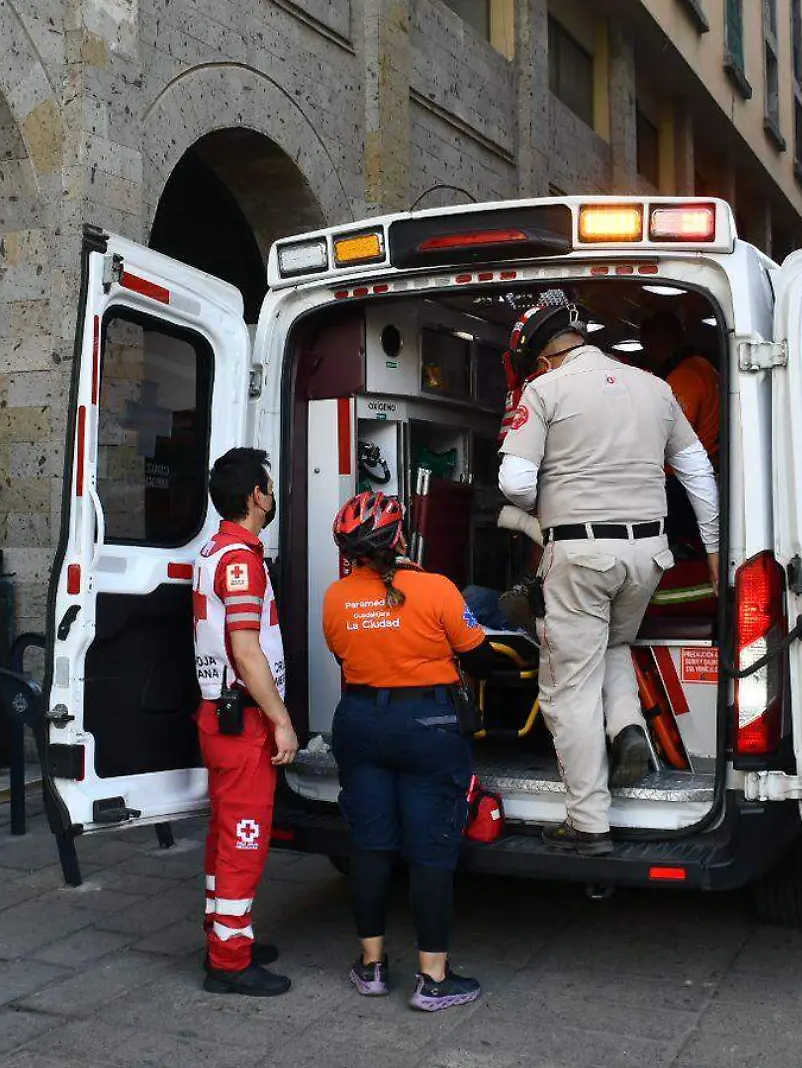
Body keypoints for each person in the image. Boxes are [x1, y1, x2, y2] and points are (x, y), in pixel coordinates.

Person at [497, 303, 720, 856]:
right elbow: (699, 474)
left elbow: (515, 482)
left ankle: (588, 823)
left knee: (567, 686)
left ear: (543, 359)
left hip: (582, 553)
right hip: (649, 554)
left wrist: (559, 495)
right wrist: (715, 550)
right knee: (615, 643)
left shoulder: (545, 391)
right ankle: (627, 730)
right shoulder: (655, 387)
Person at [324, 491, 504, 1012]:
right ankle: (432, 978)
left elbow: (342, 653)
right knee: (430, 853)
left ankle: (372, 966)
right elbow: (483, 660)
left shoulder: (335, 597)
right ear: (400, 539)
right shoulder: (436, 589)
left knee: (371, 846)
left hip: (359, 722)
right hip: (428, 725)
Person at [193, 448, 296, 997]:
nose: (273, 495)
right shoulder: (241, 559)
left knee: (224, 833)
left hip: (220, 715)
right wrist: (281, 720)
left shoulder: (216, 549)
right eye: (270, 487)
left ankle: (223, 931)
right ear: (256, 495)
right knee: (245, 838)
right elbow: (247, 650)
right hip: (244, 719)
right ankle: (229, 961)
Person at [639, 309, 722, 463]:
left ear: (654, 344)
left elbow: (671, 437)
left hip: (684, 472)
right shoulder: (703, 366)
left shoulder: (683, 377)